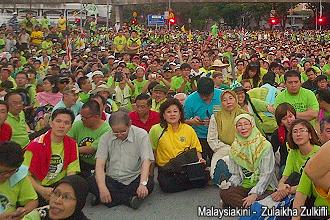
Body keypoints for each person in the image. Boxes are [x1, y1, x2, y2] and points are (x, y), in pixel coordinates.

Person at [88, 110, 154, 209]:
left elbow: (146, 160)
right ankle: (128, 199)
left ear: (130, 124)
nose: (119, 135)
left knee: (149, 183)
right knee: (90, 181)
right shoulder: (105, 138)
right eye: (115, 132)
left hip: (133, 178)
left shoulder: (141, 135)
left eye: (123, 131)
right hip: (112, 178)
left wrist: (142, 184)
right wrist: (102, 188)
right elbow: (100, 164)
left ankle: (105, 198)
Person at [23, 108, 80, 206]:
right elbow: (24, 174)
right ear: (51, 123)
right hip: (37, 186)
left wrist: (64, 191)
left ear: (70, 127)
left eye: (66, 123)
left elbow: (71, 173)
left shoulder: (72, 144)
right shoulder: (35, 146)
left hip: (58, 184)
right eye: (58, 121)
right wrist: (41, 190)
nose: (61, 126)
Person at [149, 98, 208, 193]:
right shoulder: (156, 130)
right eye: (168, 112)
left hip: (186, 166)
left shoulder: (188, 129)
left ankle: (188, 180)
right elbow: (152, 152)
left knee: (204, 178)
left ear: (180, 114)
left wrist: (200, 160)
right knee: (166, 186)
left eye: (175, 111)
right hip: (168, 169)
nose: (172, 114)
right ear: (163, 115)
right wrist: (150, 175)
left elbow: (196, 149)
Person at [219, 114, 277, 208]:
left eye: (246, 124)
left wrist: (255, 193)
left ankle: (244, 205)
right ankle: (253, 207)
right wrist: (230, 184)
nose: (243, 128)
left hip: (264, 187)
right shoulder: (234, 148)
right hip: (244, 186)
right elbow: (236, 174)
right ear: (235, 128)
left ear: (252, 125)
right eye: (239, 125)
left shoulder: (265, 145)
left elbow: (267, 174)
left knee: (267, 197)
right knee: (224, 192)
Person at [271, 119, 321, 202]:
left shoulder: (319, 152)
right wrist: (281, 186)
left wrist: (287, 191)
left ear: (310, 135)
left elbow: (311, 185)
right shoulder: (293, 152)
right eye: (295, 131)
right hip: (294, 190)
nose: (298, 134)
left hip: (314, 194)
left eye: (302, 130)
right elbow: (285, 176)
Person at [207, 90, 246, 184]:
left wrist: (237, 149)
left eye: (231, 98)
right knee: (217, 175)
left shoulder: (244, 115)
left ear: (236, 99)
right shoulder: (216, 117)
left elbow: (251, 136)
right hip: (222, 150)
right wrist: (228, 149)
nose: (228, 102)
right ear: (221, 102)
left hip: (243, 150)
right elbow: (212, 139)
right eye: (224, 100)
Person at [68, 100, 111, 179]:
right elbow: (67, 140)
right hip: (78, 162)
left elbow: (91, 149)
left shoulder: (106, 130)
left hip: (96, 165)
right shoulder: (78, 124)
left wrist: (71, 149)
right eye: (81, 116)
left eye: (85, 118)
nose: (82, 119)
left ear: (96, 117)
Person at [184, 77, 222, 164]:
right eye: (201, 96)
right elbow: (182, 120)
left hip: (219, 137)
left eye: (208, 96)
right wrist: (192, 121)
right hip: (199, 138)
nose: (204, 98)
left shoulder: (222, 96)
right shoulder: (190, 100)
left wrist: (214, 122)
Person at [24, 175, 90, 220]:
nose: (57, 201)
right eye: (56, 193)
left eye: (66, 197)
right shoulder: (38, 216)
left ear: (79, 203)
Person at [0, 141, 38, 220]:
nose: (6, 175)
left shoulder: (19, 175)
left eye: (11, 171)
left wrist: (23, 211)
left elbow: (32, 201)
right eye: (2, 171)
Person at [270, 103, 297, 177]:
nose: (289, 120)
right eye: (284, 119)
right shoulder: (277, 133)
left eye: (290, 116)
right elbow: (271, 151)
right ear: (280, 122)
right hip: (286, 164)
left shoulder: (303, 127)